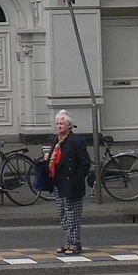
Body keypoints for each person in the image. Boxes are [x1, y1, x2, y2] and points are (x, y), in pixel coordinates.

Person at [45, 108, 91, 254]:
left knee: (73, 216)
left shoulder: (76, 141)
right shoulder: (57, 140)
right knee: (63, 215)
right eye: (57, 124)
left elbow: (85, 163)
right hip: (59, 182)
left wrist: (77, 180)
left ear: (69, 126)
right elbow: (55, 157)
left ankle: (75, 244)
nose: (59, 126)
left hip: (71, 184)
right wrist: (48, 158)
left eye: (62, 124)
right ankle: (68, 242)